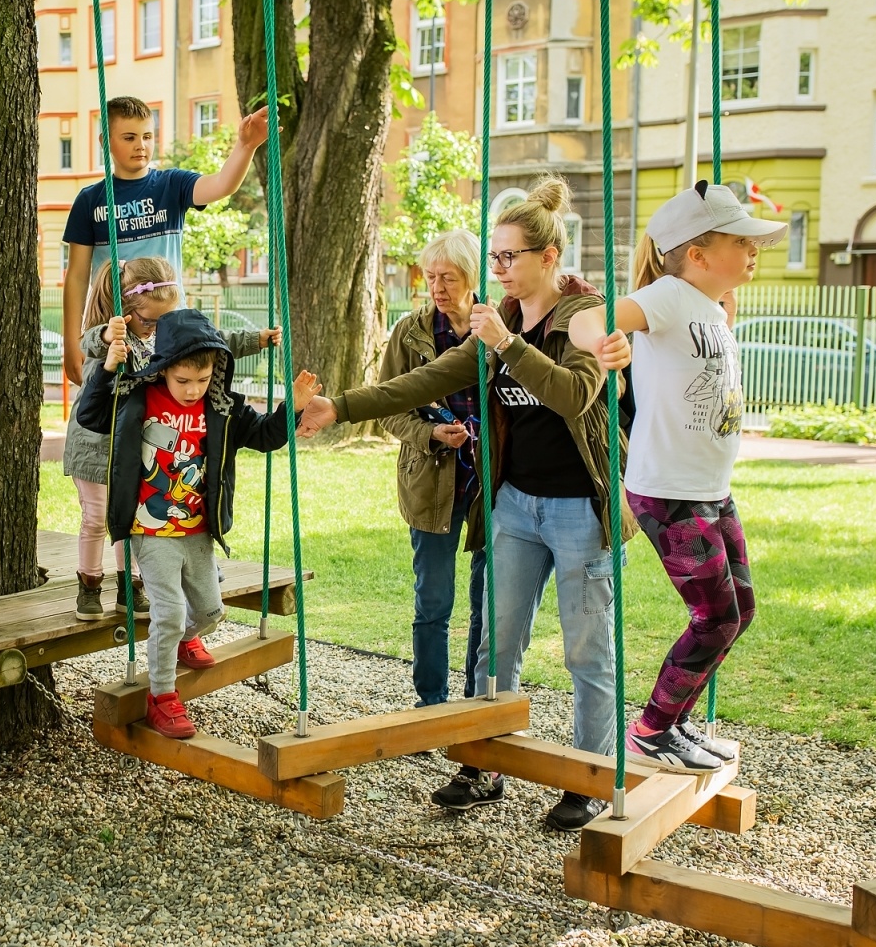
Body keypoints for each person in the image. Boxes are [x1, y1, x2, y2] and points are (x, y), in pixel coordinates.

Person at [297, 175, 634, 831]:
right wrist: (341, 407)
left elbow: (574, 396)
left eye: (510, 257)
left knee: (587, 650)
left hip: (575, 509)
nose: (499, 270)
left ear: (548, 258)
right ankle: (484, 765)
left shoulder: (585, 315)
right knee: (496, 644)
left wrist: (510, 348)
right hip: (512, 505)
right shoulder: (500, 321)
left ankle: (589, 779)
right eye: (496, 257)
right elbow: (425, 379)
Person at [571, 180, 784, 772]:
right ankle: (651, 729)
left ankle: (676, 720)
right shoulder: (666, 295)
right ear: (696, 253)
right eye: (740, 242)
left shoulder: (713, 308)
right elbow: (587, 320)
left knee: (739, 610)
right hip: (669, 492)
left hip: (710, 489)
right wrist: (602, 344)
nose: (753, 251)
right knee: (714, 617)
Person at [78, 307, 318, 737]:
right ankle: (162, 697)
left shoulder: (221, 409)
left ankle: (185, 638)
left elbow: (265, 436)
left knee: (209, 612)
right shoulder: (135, 397)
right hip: (148, 529)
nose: (193, 391)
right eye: (183, 381)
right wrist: (109, 368)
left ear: (216, 372)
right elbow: (90, 415)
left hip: (197, 531)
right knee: (167, 614)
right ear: (165, 370)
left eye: (203, 381)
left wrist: (292, 409)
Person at [65, 256, 276, 625]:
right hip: (94, 439)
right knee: (97, 518)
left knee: (129, 513)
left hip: (131, 443)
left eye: (165, 318)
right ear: (128, 310)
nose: (159, 327)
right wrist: (106, 336)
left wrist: (255, 340)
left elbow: (211, 340)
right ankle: (89, 583)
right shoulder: (114, 337)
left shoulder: (165, 336)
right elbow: (89, 342)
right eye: (150, 320)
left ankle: (129, 585)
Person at [60, 95, 270, 386]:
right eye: (129, 137)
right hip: (115, 331)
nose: (141, 145)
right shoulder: (90, 201)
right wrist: (72, 342)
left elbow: (221, 184)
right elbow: (77, 276)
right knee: (110, 415)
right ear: (105, 141)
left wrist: (246, 146)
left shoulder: (171, 185)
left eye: (147, 136)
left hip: (167, 325)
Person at [379, 231, 486, 706]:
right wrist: (429, 434)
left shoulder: (504, 325)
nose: (437, 287)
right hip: (431, 480)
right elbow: (386, 407)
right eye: (430, 276)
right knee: (434, 601)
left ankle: (478, 699)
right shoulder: (411, 331)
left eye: (449, 277)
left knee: (490, 605)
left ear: (472, 277)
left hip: (494, 484)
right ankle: (431, 703)